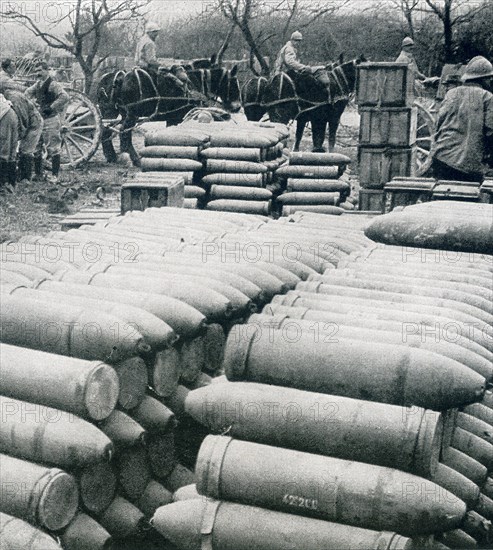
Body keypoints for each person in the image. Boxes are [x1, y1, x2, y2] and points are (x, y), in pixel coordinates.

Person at [431, 56, 493, 183]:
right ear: (484, 79)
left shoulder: (451, 93)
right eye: (489, 78)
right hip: (467, 166)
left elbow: (439, 124)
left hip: (441, 159)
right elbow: (490, 132)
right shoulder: (487, 97)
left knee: (441, 199)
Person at [25, 61, 69, 183]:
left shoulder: (53, 84)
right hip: (39, 120)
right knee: (37, 147)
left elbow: (65, 96)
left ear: (47, 70)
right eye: (37, 71)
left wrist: (51, 107)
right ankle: (39, 174)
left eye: (40, 70)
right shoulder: (37, 84)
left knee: (53, 148)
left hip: (51, 120)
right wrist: (32, 103)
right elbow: (27, 93)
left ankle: (55, 176)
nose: (38, 73)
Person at [3, 89, 43, 183]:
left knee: (26, 150)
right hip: (27, 122)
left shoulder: (14, 98)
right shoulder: (7, 97)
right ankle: (20, 176)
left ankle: (25, 178)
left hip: (33, 124)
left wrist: (17, 136)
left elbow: (23, 119)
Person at [0, 93, 19, 190]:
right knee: (11, 149)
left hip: (4, 115)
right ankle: (12, 182)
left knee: (4, 148)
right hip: (11, 113)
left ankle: (3, 183)